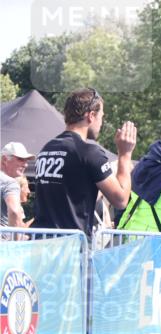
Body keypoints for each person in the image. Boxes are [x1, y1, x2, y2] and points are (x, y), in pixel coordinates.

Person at [31, 89, 135, 239]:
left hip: (41, 243)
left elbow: (70, 193)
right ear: (91, 115)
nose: (101, 123)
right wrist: (125, 154)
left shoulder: (46, 149)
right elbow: (121, 200)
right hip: (68, 249)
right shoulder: (88, 151)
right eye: (101, 117)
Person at [1, 142, 31, 229]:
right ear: (4, 159)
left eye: (26, 160)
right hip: (4, 240)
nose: (26, 165)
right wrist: (17, 241)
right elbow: (14, 212)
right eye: (20, 159)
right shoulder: (10, 183)